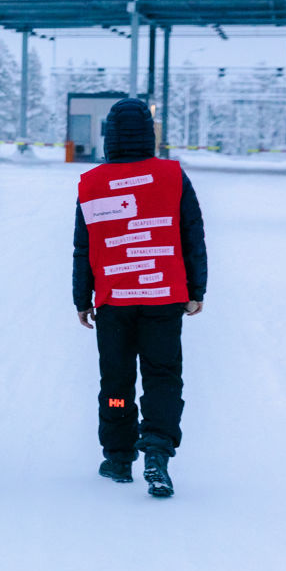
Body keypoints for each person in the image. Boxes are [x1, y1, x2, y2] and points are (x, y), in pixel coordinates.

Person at [73, 97, 207, 498]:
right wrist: (196, 290)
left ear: (108, 137)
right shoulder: (173, 177)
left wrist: (82, 298)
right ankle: (157, 449)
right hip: (164, 297)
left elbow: (84, 247)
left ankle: (117, 456)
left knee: (116, 380)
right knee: (162, 375)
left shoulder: (93, 183)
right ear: (150, 137)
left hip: (114, 300)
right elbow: (192, 235)